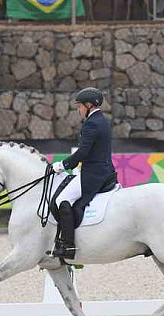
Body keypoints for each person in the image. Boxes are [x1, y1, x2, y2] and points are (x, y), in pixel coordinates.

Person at [51, 87, 116, 260]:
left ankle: (68, 245)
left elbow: (83, 153)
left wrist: (62, 165)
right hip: (102, 170)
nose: (78, 110)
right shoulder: (101, 120)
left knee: (61, 200)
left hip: (94, 174)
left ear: (88, 105)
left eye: (79, 106)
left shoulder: (92, 124)